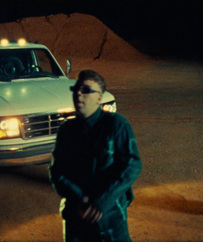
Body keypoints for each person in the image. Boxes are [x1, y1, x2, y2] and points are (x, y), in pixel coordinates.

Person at [49, 70, 142, 241]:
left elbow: (132, 165)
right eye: (76, 88)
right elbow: (57, 171)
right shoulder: (66, 130)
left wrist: (101, 202)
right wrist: (80, 198)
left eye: (85, 90)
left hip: (109, 219)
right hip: (75, 218)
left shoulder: (115, 124)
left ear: (99, 98)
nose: (78, 93)